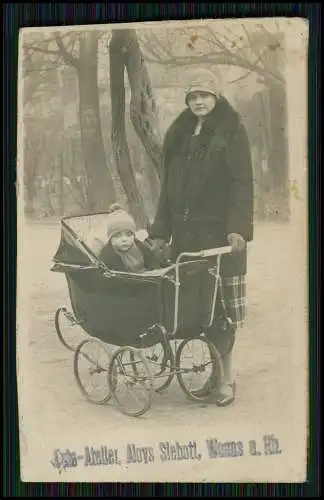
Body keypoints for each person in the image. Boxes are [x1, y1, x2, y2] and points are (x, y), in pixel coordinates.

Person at [149, 69, 254, 406]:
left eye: (205, 95)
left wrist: (237, 228)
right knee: (192, 312)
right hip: (185, 240)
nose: (199, 101)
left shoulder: (232, 131)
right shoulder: (179, 134)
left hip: (220, 239)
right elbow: (166, 189)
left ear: (217, 97)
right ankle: (210, 374)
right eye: (193, 96)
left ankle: (226, 380)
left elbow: (242, 183)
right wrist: (160, 233)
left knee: (219, 313)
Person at [98, 204, 161, 273]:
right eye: (118, 236)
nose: (124, 239)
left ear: (134, 236)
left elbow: (153, 263)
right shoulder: (106, 255)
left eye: (128, 235)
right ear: (111, 238)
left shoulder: (140, 247)